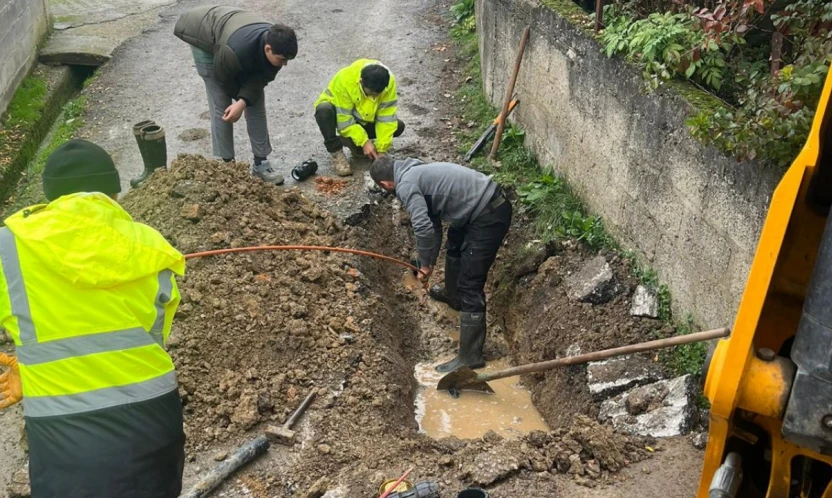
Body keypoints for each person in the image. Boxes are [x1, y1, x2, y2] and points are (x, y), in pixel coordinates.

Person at [0, 139, 186, 497]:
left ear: (50, 199)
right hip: (155, 423)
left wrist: (38, 373)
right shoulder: (149, 245)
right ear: (113, 194)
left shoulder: (9, 247)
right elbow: (148, 340)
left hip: (67, 437)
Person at [370, 157, 512, 372]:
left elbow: (423, 227)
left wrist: (425, 267)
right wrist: (428, 261)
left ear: (385, 184)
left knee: (470, 283)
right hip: (477, 207)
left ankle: (470, 357)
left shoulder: (406, 185)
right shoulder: (413, 171)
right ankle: (454, 298)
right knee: (454, 244)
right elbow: (433, 223)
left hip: (489, 214)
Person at [174, 6, 298, 184]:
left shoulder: (277, 46)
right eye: (282, 59)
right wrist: (239, 104)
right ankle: (227, 165)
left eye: (288, 60)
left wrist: (243, 102)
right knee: (222, 106)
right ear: (268, 49)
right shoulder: (233, 52)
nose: (284, 64)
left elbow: (259, 80)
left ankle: (261, 163)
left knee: (255, 102)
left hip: (232, 32)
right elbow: (223, 79)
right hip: (205, 34)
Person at [314, 60, 405, 177]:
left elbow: (386, 118)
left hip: (364, 119)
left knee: (398, 126)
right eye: (371, 93)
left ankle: (351, 141)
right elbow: (344, 120)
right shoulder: (345, 80)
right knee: (324, 109)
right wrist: (364, 141)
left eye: (377, 94)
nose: (374, 97)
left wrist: (382, 150)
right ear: (361, 82)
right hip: (340, 119)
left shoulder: (388, 81)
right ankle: (336, 152)